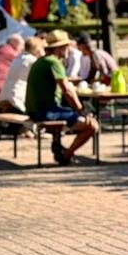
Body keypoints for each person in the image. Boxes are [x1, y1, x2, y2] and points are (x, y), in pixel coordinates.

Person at [24, 30, 100, 165]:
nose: (69, 50)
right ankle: (66, 155)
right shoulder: (53, 62)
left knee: (74, 116)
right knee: (92, 126)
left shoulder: (41, 61)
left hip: (36, 109)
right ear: (59, 49)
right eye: (66, 47)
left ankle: (60, 148)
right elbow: (68, 91)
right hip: (45, 111)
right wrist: (82, 110)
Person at [0, 36, 46, 114]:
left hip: (5, 95)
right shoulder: (32, 60)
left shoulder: (19, 57)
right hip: (18, 99)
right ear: (38, 49)